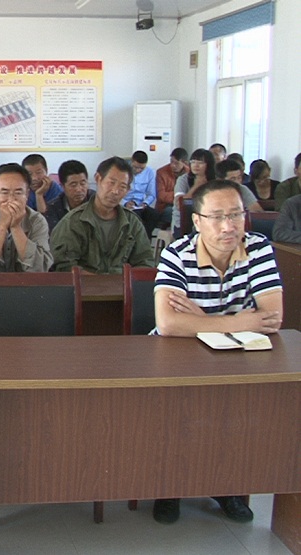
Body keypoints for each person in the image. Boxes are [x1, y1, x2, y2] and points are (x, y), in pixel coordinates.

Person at [152, 179, 283, 525]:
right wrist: (239, 320)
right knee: (180, 413)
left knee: (235, 416)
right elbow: (168, 323)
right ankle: (169, 487)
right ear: (197, 221)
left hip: (234, 356)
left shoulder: (258, 249)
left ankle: (226, 487)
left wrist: (202, 319)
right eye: (217, 217)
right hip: (176, 355)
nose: (229, 226)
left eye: (236, 215)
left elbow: (272, 318)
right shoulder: (177, 254)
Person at [49, 156, 154, 274]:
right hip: (84, 285)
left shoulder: (132, 223)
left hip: (123, 284)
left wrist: (124, 281)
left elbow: (145, 263)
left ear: (128, 190)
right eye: (111, 183)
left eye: (122, 187)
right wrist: (101, 282)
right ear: (98, 179)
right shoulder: (72, 222)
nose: (115, 191)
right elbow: (64, 267)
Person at [0, 163, 52, 273]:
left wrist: (16, 227)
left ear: (27, 194)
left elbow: (40, 269)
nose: (11, 199)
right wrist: (2, 225)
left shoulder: (37, 221)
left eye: (18, 192)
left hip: (28, 283)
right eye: (4, 192)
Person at [171, 148, 216, 237]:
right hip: (182, 222)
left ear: (209, 165)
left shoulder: (215, 180)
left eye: (200, 163)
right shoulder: (183, 179)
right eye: (193, 162)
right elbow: (179, 204)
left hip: (210, 221)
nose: (196, 165)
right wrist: (196, 185)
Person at [43, 159, 93, 231]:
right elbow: (55, 234)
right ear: (62, 186)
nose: (79, 189)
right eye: (73, 185)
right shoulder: (53, 207)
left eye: (83, 183)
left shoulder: (96, 201)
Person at [122, 150, 159, 238]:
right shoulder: (122, 171)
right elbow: (116, 192)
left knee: (154, 214)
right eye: (135, 167)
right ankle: (137, 240)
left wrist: (145, 203)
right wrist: (125, 203)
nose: (138, 170)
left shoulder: (149, 172)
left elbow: (151, 194)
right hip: (124, 204)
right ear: (132, 161)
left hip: (140, 204)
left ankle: (146, 240)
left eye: (142, 168)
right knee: (136, 217)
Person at [155, 147, 188, 228]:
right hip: (166, 206)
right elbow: (161, 195)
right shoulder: (161, 172)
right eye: (171, 162)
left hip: (184, 204)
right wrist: (179, 196)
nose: (173, 165)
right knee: (172, 212)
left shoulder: (189, 172)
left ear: (184, 163)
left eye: (176, 163)